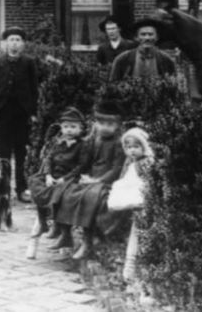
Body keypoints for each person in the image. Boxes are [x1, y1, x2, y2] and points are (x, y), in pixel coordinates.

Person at [50, 97, 125, 260]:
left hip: (106, 180)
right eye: (101, 123)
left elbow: (116, 168)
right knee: (66, 190)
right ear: (96, 124)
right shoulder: (94, 139)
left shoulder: (118, 142)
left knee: (90, 198)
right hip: (90, 177)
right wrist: (82, 175)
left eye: (110, 124)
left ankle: (87, 241)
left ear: (117, 125)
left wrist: (97, 180)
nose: (105, 128)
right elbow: (86, 161)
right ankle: (65, 233)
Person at [0, 26, 38, 203]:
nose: (14, 43)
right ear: (5, 44)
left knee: (21, 152)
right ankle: (3, 188)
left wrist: (33, 112)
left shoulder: (29, 62)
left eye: (17, 40)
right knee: (3, 152)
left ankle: (22, 189)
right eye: (11, 40)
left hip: (22, 113)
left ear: (23, 44)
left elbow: (34, 88)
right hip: (3, 112)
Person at [28, 106, 85, 237]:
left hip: (69, 178)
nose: (69, 130)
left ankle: (57, 225)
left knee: (61, 192)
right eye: (66, 127)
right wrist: (48, 175)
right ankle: (43, 223)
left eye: (73, 126)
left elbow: (80, 166)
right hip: (53, 176)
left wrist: (64, 179)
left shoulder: (81, 145)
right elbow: (48, 159)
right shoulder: (58, 143)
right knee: (36, 183)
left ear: (80, 128)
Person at [107, 127, 154, 282]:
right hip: (133, 204)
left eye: (136, 146)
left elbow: (149, 184)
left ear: (144, 146)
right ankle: (129, 265)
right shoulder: (130, 163)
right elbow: (123, 180)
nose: (132, 151)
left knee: (141, 232)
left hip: (145, 204)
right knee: (133, 231)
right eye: (128, 147)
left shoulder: (147, 162)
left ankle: (133, 265)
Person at [110, 17, 176, 81]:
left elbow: (173, 84)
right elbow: (113, 85)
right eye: (143, 34)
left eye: (150, 34)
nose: (147, 38)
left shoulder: (166, 60)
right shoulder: (123, 59)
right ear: (136, 37)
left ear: (157, 37)